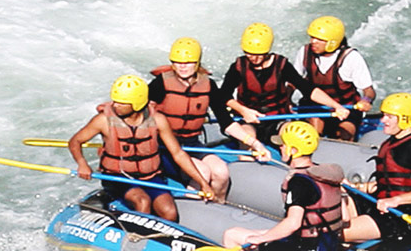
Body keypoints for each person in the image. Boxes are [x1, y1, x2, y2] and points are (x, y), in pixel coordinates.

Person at [68, 74, 212, 221]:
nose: (115, 105)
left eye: (122, 103)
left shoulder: (158, 120)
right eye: (115, 101)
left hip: (150, 176)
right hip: (118, 178)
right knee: (143, 201)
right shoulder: (103, 121)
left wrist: (203, 183)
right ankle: (136, 239)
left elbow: (178, 153)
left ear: (137, 103)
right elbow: (75, 141)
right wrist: (82, 163)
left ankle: (160, 240)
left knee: (169, 212)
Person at [221, 121, 355, 251]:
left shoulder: (299, 182)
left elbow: (293, 223)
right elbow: (346, 217)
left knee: (232, 235)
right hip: (328, 247)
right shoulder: (324, 174)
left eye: (283, 145)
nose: (280, 148)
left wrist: (260, 239)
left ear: (293, 150)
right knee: (248, 233)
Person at [344, 92, 411, 243]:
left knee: (338, 232)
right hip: (379, 203)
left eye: (389, 117)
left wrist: (396, 201)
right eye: (384, 115)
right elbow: (390, 182)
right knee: (328, 216)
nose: (383, 120)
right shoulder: (390, 143)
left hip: (402, 212)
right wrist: (356, 187)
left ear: (406, 119)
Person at [148, 37, 232, 199]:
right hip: (165, 148)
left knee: (221, 172)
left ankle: (219, 208)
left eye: (188, 62)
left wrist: (253, 143)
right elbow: (141, 115)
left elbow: (225, 121)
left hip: (192, 144)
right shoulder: (159, 84)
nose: (183, 66)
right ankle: (195, 206)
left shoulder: (209, 85)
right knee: (203, 172)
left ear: (197, 63)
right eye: (178, 62)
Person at [213, 23, 315, 157]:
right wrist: (244, 111)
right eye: (249, 54)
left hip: (278, 118)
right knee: (247, 141)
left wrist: (336, 107)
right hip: (249, 120)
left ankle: (294, 170)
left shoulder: (282, 65)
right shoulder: (238, 67)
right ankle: (246, 166)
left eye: (258, 54)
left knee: (293, 138)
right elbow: (223, 96)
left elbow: (306, 88)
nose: (253, 58)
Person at [295, 16, 376, 141]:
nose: (313, 42)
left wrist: (366, 100)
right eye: (312, 37)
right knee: (314, 130)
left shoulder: (351, 57)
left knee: (345, 136)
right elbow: (293, 81)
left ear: (332, 42)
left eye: (319, 39)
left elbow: (368, 90)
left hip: (346, 108)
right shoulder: (304, 52)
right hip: (315, 107)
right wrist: (287, 100)